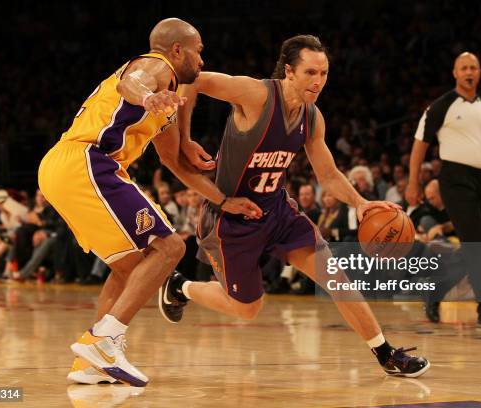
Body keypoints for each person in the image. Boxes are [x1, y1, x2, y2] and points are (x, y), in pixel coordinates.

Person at [161, 35, 429, 377]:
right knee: (247, 309)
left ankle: (385, 353)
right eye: (310, 72)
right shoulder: (256, 95)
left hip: (278, 212)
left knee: (337, 278)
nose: (318, 81)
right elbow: (193, 81)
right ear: (289, 71)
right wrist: (183, 139)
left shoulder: (312, 119)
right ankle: (180, 286)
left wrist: (360, 203)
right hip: (231, 217)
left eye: (324, 73)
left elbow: (328, 175)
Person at [38, 18, 260, 387]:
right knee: (170, 246)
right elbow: (133, 81)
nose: (202, 60)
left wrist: (223, 200)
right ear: (177, 50)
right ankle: (105, 341)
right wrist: (146, 96)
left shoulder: (167, 98)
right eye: (198, 50)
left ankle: (92, 363)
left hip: (67, 168)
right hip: (88, 161)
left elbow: (174, 162)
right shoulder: (156, 66)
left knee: (136, 265)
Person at [406, 52, 481, 329]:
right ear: (455, 73)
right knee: (477, 244)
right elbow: (420, 145)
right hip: (454, 179)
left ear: (479, 72)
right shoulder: (441, 106)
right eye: (463, 67)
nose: (469, 72)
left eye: (473, 67)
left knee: (478, 245)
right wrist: (413, 182)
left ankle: (436, 290)